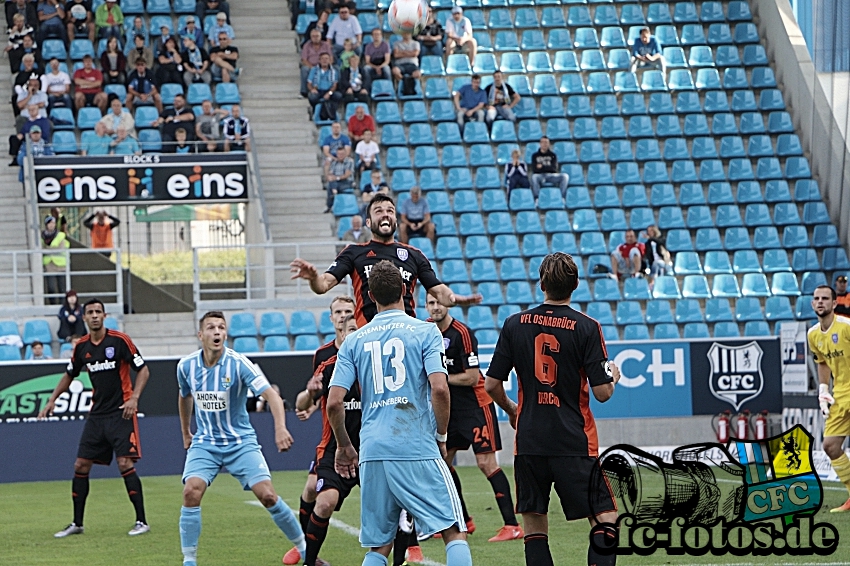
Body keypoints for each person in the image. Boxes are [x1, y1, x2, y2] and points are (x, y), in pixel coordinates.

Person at [327, 260, 474, 566]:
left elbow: (333, 402)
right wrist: (442, 436)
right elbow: (440, 389)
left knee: (379, 547)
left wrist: (343, 445)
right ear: (406, 290)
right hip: (415, 443)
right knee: (453, 531)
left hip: (372, 448)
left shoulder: (353, 340)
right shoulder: (426, 332)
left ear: (369, 295)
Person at [485, 252, 621, 566]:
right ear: (575, 285)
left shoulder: (515, 324)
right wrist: (613, 376)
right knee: (606, 519)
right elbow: (602, 393)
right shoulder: (587, 327)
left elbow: (491, 385)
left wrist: (511, 409)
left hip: (530, 440)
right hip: (573, 440)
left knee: (534, 527)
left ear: (542, 283)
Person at [177, 311, 305, 566]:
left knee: (267, 495)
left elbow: (272, 396)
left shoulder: (239, 363)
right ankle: (189, 561)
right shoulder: (186, 366)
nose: (217, 332)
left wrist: (280, 428)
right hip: (206, 443)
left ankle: (304, 549)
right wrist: (185, 432)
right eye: (211, 328)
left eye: (221, 328)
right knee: (191, 492)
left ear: (225, 334)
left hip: (240, 443)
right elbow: (185, 396)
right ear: (200, 335)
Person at [38, 298, 151, 538]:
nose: (95, 316)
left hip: (121, 412)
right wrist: (52, 399)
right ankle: (77, 523)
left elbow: (143, 369)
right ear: (84, 317)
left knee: (124, 463)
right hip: (97, 415)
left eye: (98, 311)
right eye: (90, 312)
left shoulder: (120, 341)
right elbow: (70, 374)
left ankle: (142, 521)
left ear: (104, 315)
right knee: (80, 465)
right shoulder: (81, 347)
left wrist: (135, 398)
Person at [291, 193, 481, 326]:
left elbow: (439, 291)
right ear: (368, 222)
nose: (385, 214)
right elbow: (323, 285)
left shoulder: (414, 255)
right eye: (379, 211)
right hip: (368, 333)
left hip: (405, 333)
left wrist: (455, 299)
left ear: (396, 220)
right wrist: (314, 278)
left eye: (390, 211)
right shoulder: (354, 252)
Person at [425, 294, 524, 542]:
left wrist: (437, 378)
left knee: (486, 463)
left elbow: (470, 377)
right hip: (451, 410)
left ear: (448, 304)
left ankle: (512, 526)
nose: (435, 307)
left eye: (439, 302)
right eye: (430, 303)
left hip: (476, 406)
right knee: (442, 465)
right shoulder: (425, 330)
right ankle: (464, 521)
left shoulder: (462, 333)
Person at [282, 295, 356, 566]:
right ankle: (304, 547)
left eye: (348, 311)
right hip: (334, 439)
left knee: (393, 502)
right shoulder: (324, 357)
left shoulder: (370, 355)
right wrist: (311, 402)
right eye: (338, 311)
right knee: (313, 490)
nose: (343, 316)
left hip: (367, 442)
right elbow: (320, 395)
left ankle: (410, 547)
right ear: (331, 317)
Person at [808, 285, 850, 513]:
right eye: (817, 298)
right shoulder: (813, 334)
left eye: (825, 298)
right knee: (831, 446)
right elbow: (822, 362)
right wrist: (823, 389)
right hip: (840, 393)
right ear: (812, 304)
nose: (820, 301)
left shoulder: (846, 327)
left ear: (835, 303)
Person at [530, 136, 568, 200]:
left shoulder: (553, 155)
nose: (545, 144)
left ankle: (562, 197)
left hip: (551, 176)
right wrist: (547, 167)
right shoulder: (535, 156)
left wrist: (542, 166)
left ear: (549, 144)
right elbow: (534, 169)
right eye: (543, 142)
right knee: (534, 177)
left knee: (565, 176)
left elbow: (554, 168)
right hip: (540, 176)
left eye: (546, 142)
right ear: (540, 143)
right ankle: (537, 198)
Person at [41, 215, 68, 304]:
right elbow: (40, 249)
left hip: (61, 265)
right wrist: (50, 249)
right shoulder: (42, 236)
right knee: (51, 288)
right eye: (50, 223)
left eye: (53, 223)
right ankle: (53, 305)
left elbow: (61, 249)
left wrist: (47, 250)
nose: (52, 225)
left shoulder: (60, 235)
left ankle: (62, 306)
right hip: (49, 265)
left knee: (62, 288)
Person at [301, 28, 333, 97]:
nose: (315, 38)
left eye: (317, 36)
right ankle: (304, 92)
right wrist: (313, 68)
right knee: (304, 69)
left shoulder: (326, 45)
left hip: (324, 66)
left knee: (335, 68)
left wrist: (326, 66)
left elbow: (331, 57)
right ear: (310, 37)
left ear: (321, 36)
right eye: (313, 36)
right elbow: (304, 60)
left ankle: (333, 90)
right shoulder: (306, 45)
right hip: (311, 66)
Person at [307, 52, 341, 116]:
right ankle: (315, 112)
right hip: (318, 90)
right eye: (322, 59)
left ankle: (332, 112)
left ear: (329, 60)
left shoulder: (334, 71)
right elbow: (309, 83)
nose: (324, 60)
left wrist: (329, 93)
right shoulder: (314, 69)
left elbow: (335, 85)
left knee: (338, 96)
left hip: (329, 90)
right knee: (312, 97)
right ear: (319, 60)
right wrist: (312, 90)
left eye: (326, 58)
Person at [325, 146, 354, 213]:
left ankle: (330, 205)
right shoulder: (334, 163)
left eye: (342, 154)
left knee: (331, 185)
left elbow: (346, 175)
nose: (340, 156)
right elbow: (330, 173)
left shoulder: (349, 162)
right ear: (337, 154)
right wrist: (329, 176)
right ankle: (334, 191)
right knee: (331, 183)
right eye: (339, 154)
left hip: (346, 182)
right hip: (336, 182)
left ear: (345, 154)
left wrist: (336, 178)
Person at [391, 32, 420, 96]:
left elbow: (415, 54)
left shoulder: (416, 43)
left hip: (412, 64)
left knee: (418, 74)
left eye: (408, 33)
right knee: (395, 71)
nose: (406, 34)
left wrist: (402, 53)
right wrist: (410, 53)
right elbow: (396, 55)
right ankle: (405, 81)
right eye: (405, 33)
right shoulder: (396, 43)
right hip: (400, 64)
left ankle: (407, 82)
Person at [362, 27, 390, 92]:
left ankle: (388, 88)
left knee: (387, 69)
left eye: (378, 34)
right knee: (366, 68)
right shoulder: (368, 46)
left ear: (381, 36)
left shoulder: (385, 45)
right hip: (372, 64)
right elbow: (367, 61)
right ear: (372, 36)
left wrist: (380, 67)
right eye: (375, 34)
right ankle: (367, 89)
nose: (376, 36)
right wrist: (376, 67)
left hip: (382, 63)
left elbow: (387, 60)